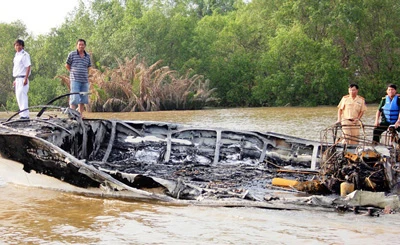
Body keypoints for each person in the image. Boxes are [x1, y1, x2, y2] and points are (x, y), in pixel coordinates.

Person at [65, 39, 91, 117]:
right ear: (77, 45)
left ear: (85, 46)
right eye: (79, 44)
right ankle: (72, 114)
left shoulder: (88, 56)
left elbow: (89, 67)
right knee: (74, 97)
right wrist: (73, 72)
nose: (81, 46)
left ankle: (80, 115)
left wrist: (87, 75)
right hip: (75, 80)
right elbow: (67, 65)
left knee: (83, 99)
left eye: (82, 45)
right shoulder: (72, 54)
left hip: (84, 80)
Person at [13, 39, 31, 120]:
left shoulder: (24, 55)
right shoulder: (17, 55)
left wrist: (26, 78)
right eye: (16, 45)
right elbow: (17, 68)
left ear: (22, 46)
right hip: (18, 78)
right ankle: (22, 114)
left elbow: (28, 66)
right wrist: (15, 79)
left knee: (23, 96)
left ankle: (25, 115)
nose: (18, 47)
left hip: (23, 78)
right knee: (18, 97)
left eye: (20, 45)